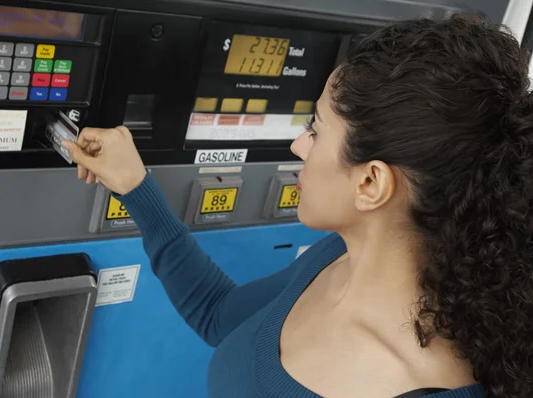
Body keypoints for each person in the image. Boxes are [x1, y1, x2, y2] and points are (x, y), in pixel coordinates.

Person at [63, 14, 533, 398]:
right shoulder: (338, 260)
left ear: (371, 182)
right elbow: (217, 313)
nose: (297, 146)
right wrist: (136, 185)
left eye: (316, 129)